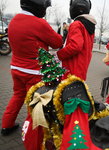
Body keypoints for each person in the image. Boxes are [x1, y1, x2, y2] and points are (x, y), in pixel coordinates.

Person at [1, 0, 63, 138]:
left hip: (16, 68)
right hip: (33, 72)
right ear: (38, 6)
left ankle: (6, 125)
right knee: (36, 105)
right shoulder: (39, 23)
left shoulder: (14, 20)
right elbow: (57, 42)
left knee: (17, 96)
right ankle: (33, 137)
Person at [55, 0, 96, 81]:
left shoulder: (76, 24)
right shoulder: (89, 26)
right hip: (81, 69)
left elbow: (75, 46)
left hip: (72, 70)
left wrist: (58, 55)